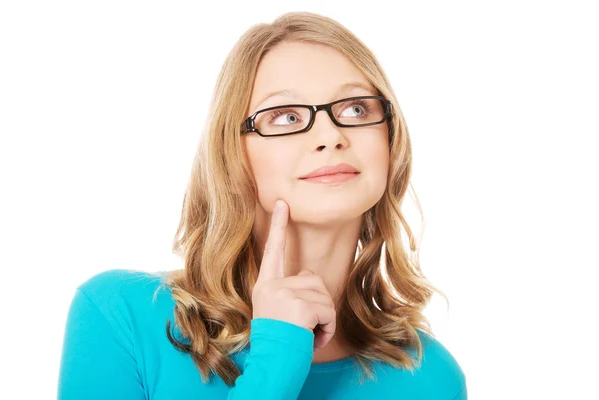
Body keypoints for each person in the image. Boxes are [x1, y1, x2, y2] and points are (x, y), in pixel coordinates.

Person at [58, 11, 467, 400]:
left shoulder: (429, 377)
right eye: (286, 116)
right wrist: (279, 355)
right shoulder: (122, 316)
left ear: (390, 140)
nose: (330, 134)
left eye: (356, 108)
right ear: (232, 153)